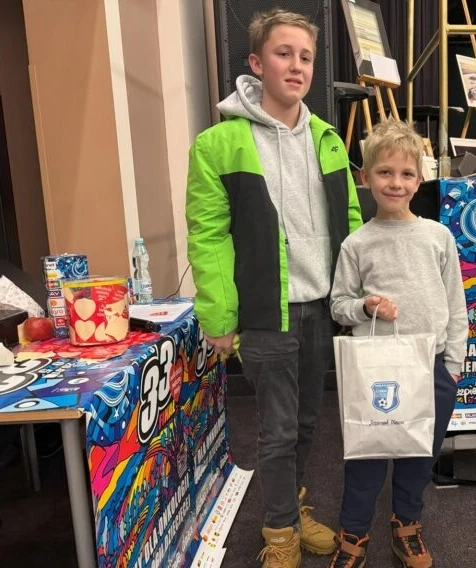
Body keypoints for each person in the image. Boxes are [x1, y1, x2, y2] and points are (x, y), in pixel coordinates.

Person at [185, 8, 362, 567]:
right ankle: (279, 532)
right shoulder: (218, 144)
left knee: (308, 423)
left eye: (305, 56)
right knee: (277, 430)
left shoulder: (328, 139)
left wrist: (355, 295)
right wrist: (219, 317)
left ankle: (293, 508)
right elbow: (208, 237)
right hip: (267, 312)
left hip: (321, 307)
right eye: (284, 54)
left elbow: (351, 220)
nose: (297, 66)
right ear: (257, 63)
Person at [327, 120, 468, 567]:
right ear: (365, 177)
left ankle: (406, 523)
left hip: (432, 366)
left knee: (418, 454)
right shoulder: (357, 243)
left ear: (419, 179)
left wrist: (453, 364)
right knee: (366, 454)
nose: (396, 183)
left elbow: (456, 303)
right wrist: (365, 306)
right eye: (385, 172)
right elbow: (338, 305)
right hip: (377, 368)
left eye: (406, 174)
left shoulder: (438, 237)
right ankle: (354, 531)